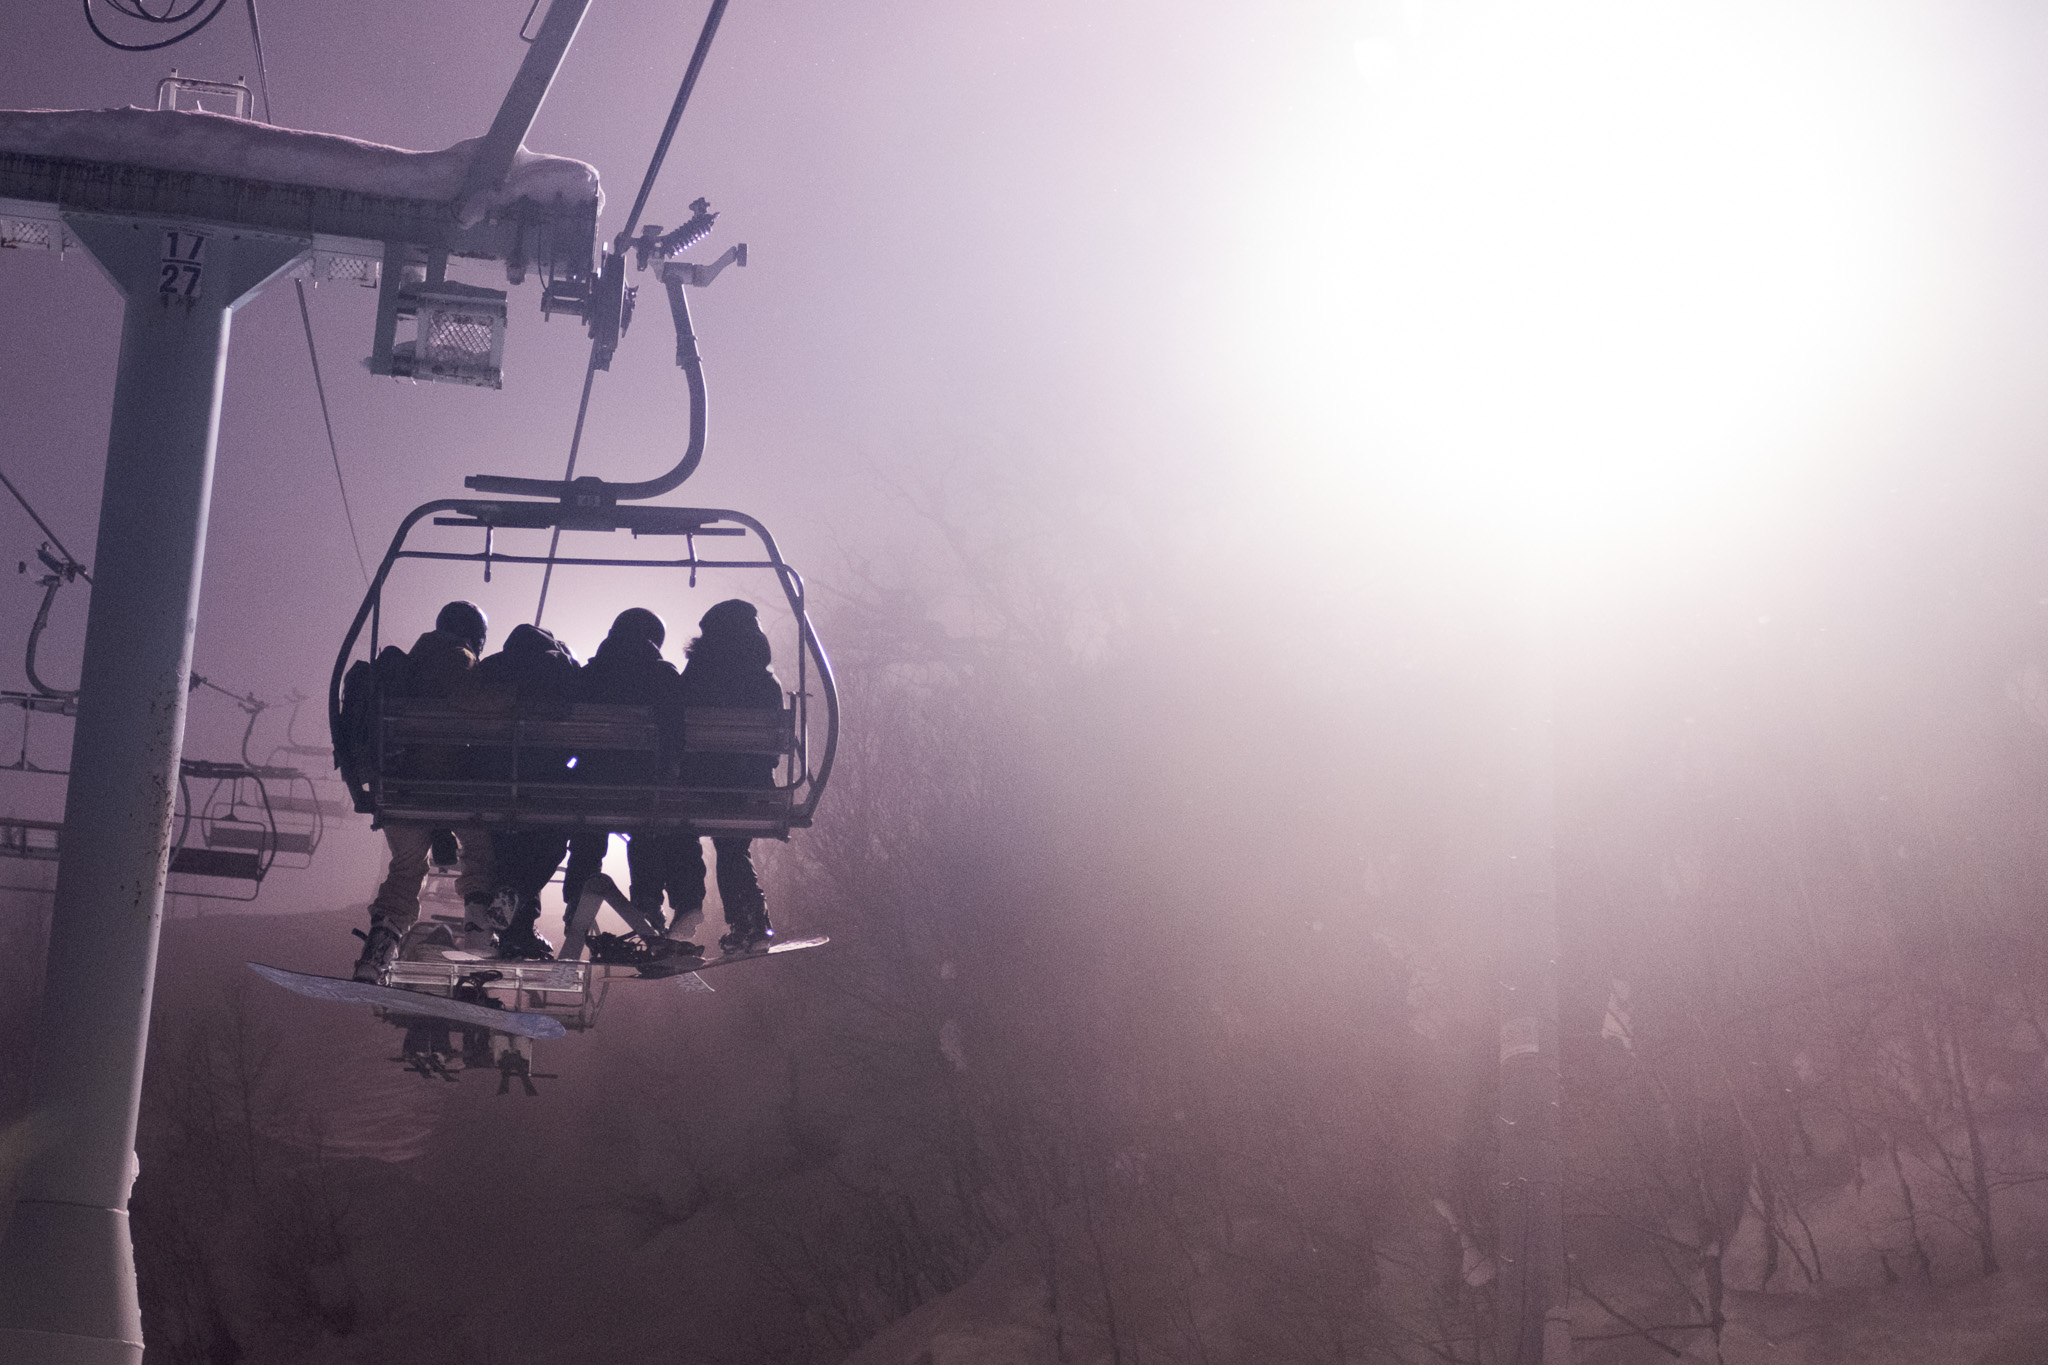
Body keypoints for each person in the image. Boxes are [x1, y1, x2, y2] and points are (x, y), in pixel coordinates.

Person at [354, 600, 498, 982]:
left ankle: (379, 949)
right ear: (475, 635)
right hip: (449, 787)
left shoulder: (405, 663)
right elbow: (469, 706)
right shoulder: (458, 659)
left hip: (399, 789)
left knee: (405, 869)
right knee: (481, 856)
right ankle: (480, 933)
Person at [560, 607, 694, 946]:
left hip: (593, 782)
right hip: (644, 784)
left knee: (588, 831)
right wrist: (668, 772)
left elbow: (566, 732)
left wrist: (574, 764)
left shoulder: (587, 674)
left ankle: (577, 900)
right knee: (647, 831)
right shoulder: (664, 676)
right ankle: (648, 902)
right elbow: (676, 733)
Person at [675, 598, 782, 952]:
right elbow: (772, 750)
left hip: (699, 784)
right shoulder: (767, 683)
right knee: (732, 844)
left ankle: (688, 908)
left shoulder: (696, 675)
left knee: (681, 830)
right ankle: (750, 921)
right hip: (749, 785)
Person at [473, 623, 581, 959]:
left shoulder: (489, 667)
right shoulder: (560, 665)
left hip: (491, 779)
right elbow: (576, 716)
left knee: (507, 853)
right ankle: (517, 908)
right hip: (545, 779)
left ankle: (515, 931)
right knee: (550, 843)